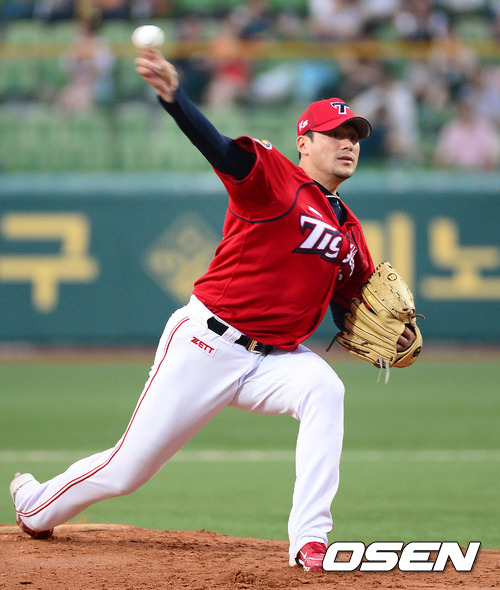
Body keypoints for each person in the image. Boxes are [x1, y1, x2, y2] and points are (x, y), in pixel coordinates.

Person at [9, 48, 416, 572]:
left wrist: (393, 332)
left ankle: (310, 540)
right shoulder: (273, 178)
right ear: (304, 142)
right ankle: (35, 505)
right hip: (207, 343)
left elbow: (352, 305)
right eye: (335, 134)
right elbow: (220, 149)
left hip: (274, 360)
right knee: (128, 471)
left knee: (325, 389)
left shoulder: (350, 231)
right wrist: (175, 99)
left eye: (354, 136)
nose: (348, 144)